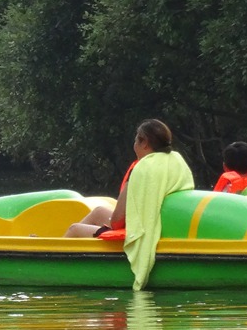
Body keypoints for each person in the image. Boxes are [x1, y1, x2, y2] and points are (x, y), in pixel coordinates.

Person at [65, 118, 194, 289]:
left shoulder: (141, 169)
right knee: (98, 211)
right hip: (163, 223)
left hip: (141, 233)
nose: (134, 145)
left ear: (144, 143)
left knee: (74, 229)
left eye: (136, 140)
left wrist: (112, 223)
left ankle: (54, 260)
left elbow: (117, 222)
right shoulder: (176, 161)